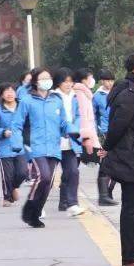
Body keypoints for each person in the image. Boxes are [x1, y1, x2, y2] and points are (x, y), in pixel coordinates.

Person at [98, 53, 134, 266]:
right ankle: (131, 256)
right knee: (132, 209)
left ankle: (132, 254)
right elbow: (118, 124)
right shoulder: (131, 93)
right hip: (132, 156)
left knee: (133, 208)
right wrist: (107, 147)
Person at [13, 67, 71, 228]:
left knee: (48, 183)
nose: (47, 80)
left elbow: (63, 122)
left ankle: (35, 214)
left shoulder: (56, 100)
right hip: (36, 146)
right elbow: (17, 124)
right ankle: (29, 208)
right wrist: (17, 142)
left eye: (49, 77)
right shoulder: (27, 100)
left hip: (54, 146)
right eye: (43, 78)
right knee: (43, 176)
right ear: (35, 82)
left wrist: (72, 131)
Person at [52, 68, 86, 216]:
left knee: (72, 172)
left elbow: (79, 115)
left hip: (71, 141)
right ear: (58, 83)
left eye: (70, 81)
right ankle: (39, 205)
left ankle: (71, 203)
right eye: (64, 81)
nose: (68, 84)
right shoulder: (52, 97)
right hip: (55, 141)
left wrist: (74, 128)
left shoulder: (75, 97)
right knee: (48, 176)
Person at [0, 84, 27, 206]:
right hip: (4, 147)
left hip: (21, 146)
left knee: (23, 173)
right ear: (1, 95)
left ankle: (14, 187)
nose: (9, 94)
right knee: (7, 175)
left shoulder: (23, 108)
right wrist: (3, 132)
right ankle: (7, 197)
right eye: (6, 91)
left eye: (12, 91)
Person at [93, 69, 118, 206]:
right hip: (105, 133)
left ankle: (109, 191)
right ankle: (103, 194)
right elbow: (93, 115)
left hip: (118, 131)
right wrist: (97, 131)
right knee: (105, 163)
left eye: (111, 80)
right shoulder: (97, 96)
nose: (109, 83)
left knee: (117, 163)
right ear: (101, 81)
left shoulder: (118, 92)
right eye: (106, 80)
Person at [72, 68, 101, 162]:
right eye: (91, 78)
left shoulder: (85, 92)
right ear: (83, 80)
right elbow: (82, 116)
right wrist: (86, 137)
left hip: (88, 132)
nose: (92, 80)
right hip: (84, 133)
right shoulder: (80, 93)